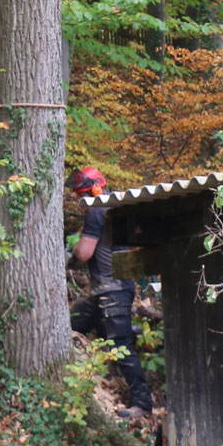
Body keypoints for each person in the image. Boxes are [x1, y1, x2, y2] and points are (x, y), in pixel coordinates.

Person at [66, 166, 154, 420]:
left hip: (112, 290)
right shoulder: (115, 208)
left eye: (80, 195)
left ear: (92, 191)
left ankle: (142, 403)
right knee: (71, 326)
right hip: (102, 290)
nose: (78, 201)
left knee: (121, 345)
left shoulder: (97, 210)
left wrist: (74, 248)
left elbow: (84, 253)